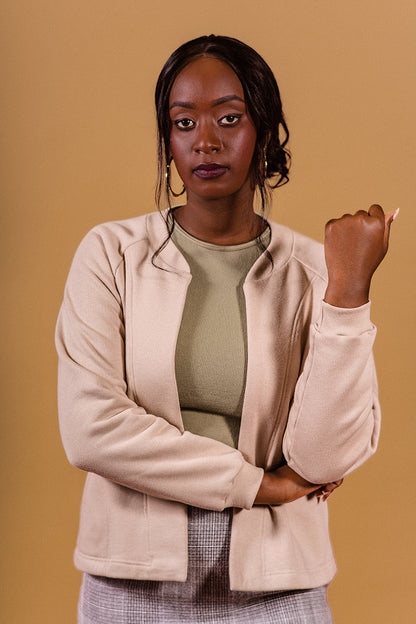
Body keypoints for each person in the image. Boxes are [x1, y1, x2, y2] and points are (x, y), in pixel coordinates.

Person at [56, 35, 397, 623]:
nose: (205, 141)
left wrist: (348, 292)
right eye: (183, 122)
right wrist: (258, 486)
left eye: (229, 119)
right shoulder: (111, 254)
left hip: (280, 584)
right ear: (167, 141)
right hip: (131, 583)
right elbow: (89, 428)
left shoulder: (318, 270)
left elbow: (323, 457)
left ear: (263, 131)